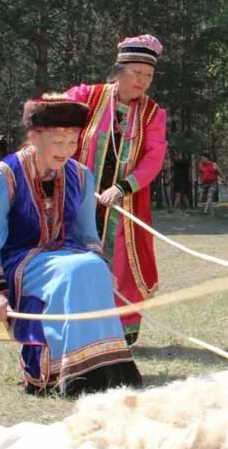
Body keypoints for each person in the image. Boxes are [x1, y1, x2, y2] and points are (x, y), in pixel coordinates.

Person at [0, 96, 142, 396]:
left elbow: (88, 236)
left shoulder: (80, 176)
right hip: (20, 263)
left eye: (72, 141)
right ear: (34, 137)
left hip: (70, 258)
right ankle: (71, 374)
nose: (66, 150)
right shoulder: (5, 176)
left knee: (91, 267)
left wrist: (100, 267)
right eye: (58, 141)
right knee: (77, 270)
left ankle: (108, 371)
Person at [66, 34, 168, 346]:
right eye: (136, 73)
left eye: (148, 76)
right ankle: (73, 327)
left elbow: (153, 158)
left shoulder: (152, 114)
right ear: (119, 69)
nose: (143, 81)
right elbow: (56, 129)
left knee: (122, 262)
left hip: (124, 205)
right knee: (71, 259)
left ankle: (117, 333)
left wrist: (121, 188)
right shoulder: (86, 97)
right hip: (75, 197)